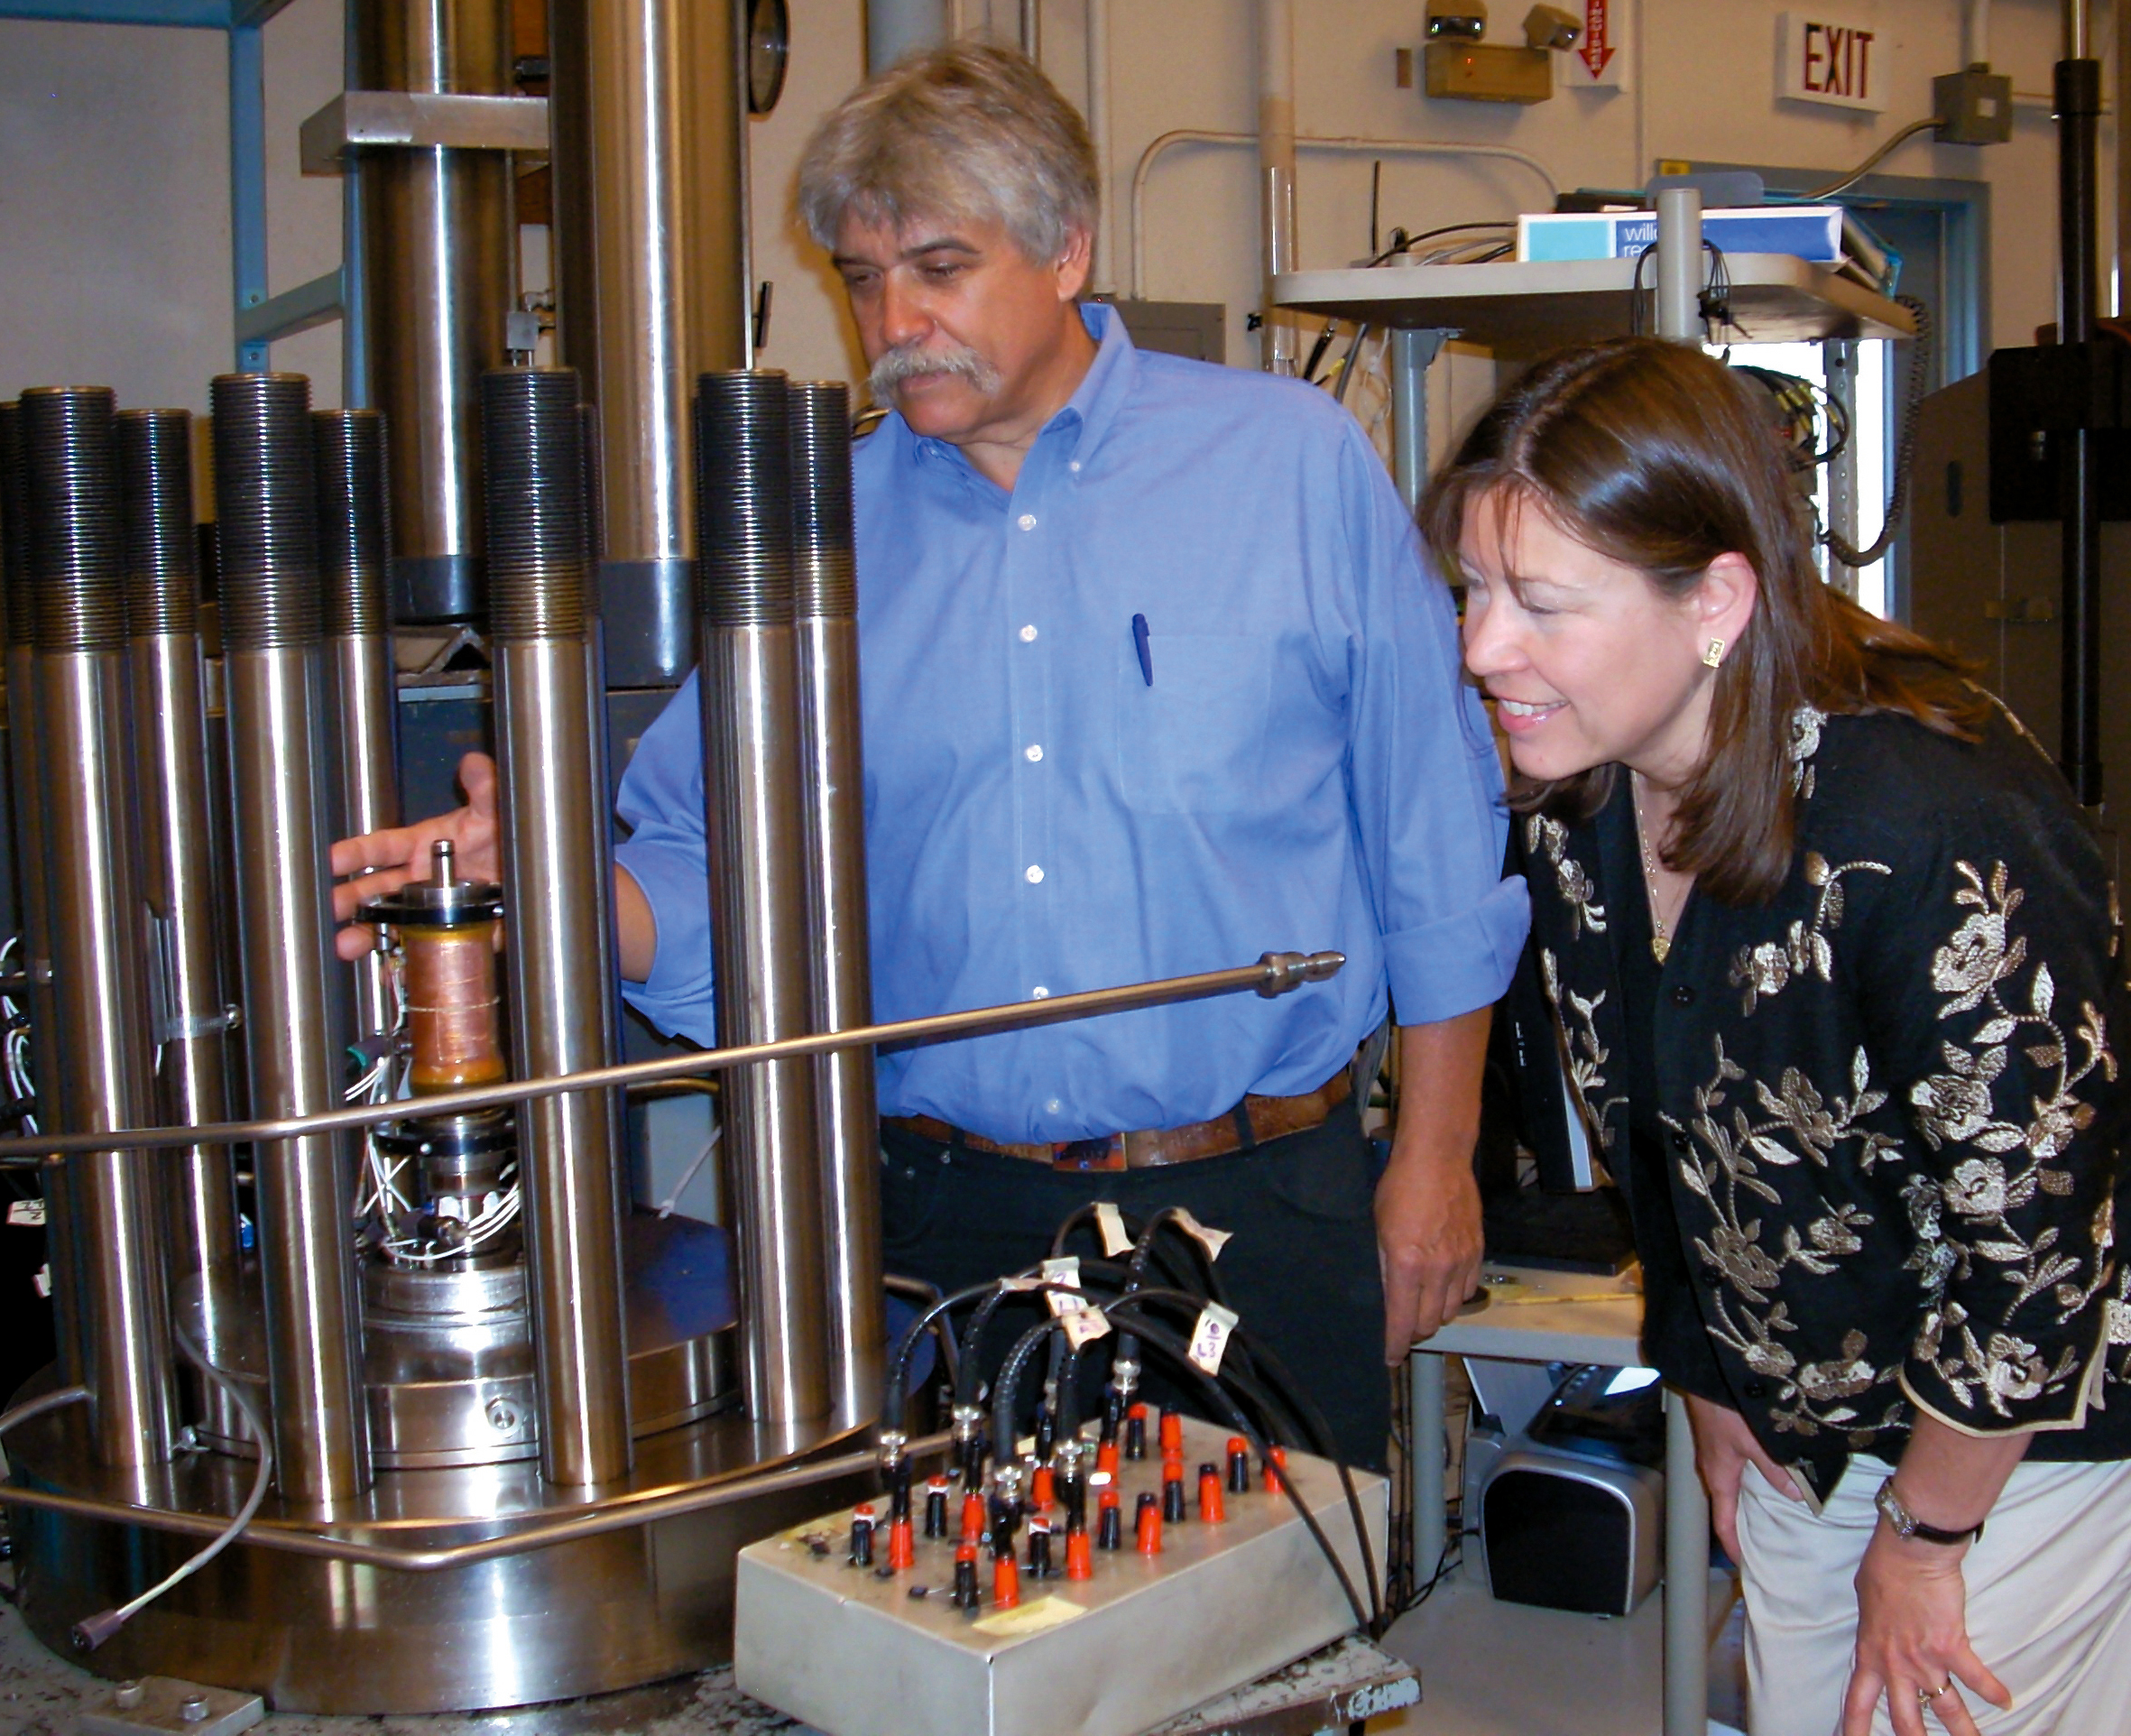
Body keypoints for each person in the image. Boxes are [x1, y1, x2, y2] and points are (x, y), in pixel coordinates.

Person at [332, 42, 1527, 1471]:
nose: (893, 324)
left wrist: (1435, 1159)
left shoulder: (1289, 465)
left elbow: (1433, 839)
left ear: (1066, 248)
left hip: (1257, 1208)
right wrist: (548, 882)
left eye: (939, 269)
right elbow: (708, 862)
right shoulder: (813, 533)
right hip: (937, 1228)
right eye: (860, 278)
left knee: (1276, 1604)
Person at [1439, 336, 2131, 1736]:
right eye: (1471, 589)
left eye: (1541, 604)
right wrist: (1704, 1371)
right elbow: (1660, 1134)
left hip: (2015, 1435)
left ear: (1714, 601)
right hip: (1803, 1414)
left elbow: (2039, 1246)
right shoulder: (1581, 797)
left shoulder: (1922, 821)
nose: (1480, 649)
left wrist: (1923, 1542)